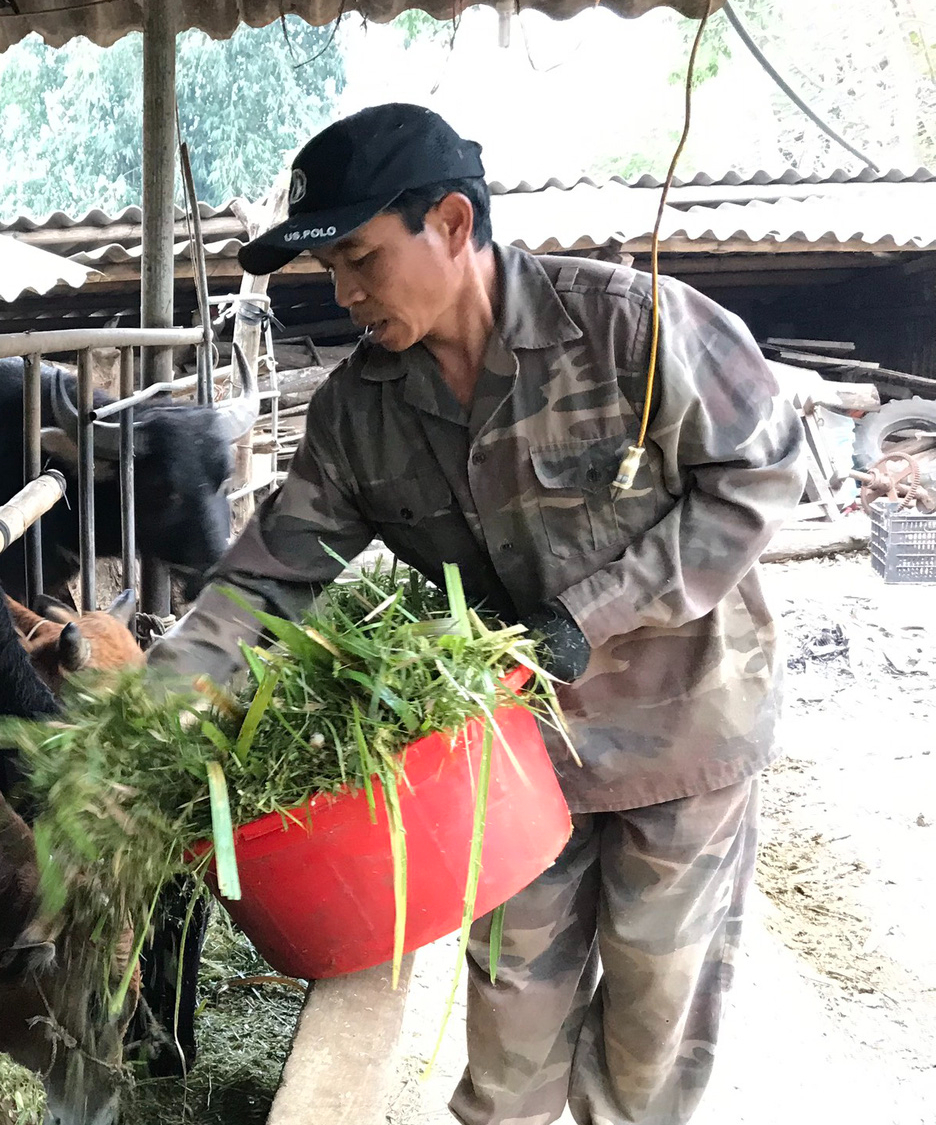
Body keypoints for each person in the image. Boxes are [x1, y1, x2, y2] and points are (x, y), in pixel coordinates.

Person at [148, 103, 804, 1125]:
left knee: (646, 1041)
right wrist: (154, 700)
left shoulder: (632, 330)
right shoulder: (358, 411)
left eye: (359, 257)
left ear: (451, 224)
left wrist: (592, 613)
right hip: (510, 763)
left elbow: (757, 478)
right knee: (505, 1054)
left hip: (683, 736)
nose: (345, 292)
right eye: (330, 271)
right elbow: (269, 575)